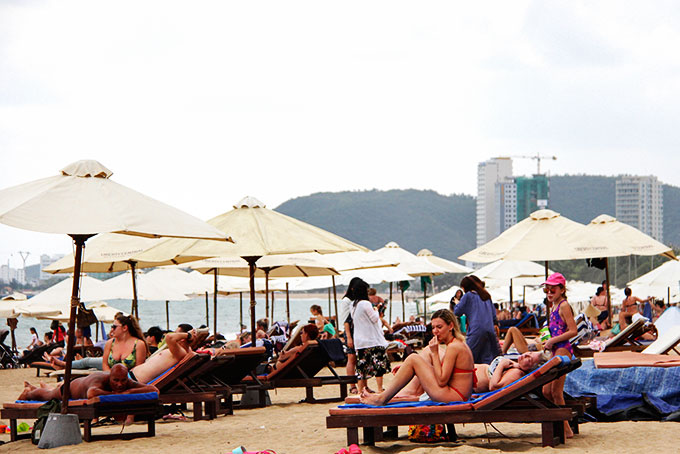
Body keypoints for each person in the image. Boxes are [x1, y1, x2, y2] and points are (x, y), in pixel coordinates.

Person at [361, 309, 475, 405]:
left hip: (454, 396)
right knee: (417, 359)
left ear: (451, 326)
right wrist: (414, 370)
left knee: (413, 358)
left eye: (439, 327)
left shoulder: (454, 347)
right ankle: (383, 395)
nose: (435, 331)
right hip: (457, 394)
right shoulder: (457, 343)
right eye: (433, 328)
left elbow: (441, 381)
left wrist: (435, 353)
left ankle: (381, 398)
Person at [541, 272, 578, 438]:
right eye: (546, 290)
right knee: (546, 391)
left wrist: (553, 340)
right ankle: (560, 424)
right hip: (556, 349)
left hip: (563, 349)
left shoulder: (564, 306)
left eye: (552, 289)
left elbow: (573, 330)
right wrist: (547, 340)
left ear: (562, 290)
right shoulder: (554, 306)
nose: (549, 293)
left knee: (556, 391)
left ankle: (566, 429)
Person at [18, 363, 158, 401]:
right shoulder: (100, 380)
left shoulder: (126, 381)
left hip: (82, 384)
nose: (120, 384)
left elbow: (154, 389)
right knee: (49, 396)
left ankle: (38, 386)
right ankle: (29, 392)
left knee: (50, 391)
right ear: (110, 377)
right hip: (71, 388)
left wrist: (130, 391)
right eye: (116, 381)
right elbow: (91, 393)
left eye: (123, 381)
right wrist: (117, 393)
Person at [350, 278, 391, 394]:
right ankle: (380, 388)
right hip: (372, 340)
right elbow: (374, 319)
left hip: (359, 340)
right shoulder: (365, 303)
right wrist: (376, 310)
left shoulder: (353, 305)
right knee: (378, 364)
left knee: (362, 367)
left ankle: (360, 390)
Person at [454, 275, 501, 364]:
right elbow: (494, 316)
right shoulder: (486, 296)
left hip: (476, 330)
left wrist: (457, 302)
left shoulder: (468, 296)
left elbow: (457, 311)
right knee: (487, 360)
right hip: (489, 330)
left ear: (465, 287)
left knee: (467, 357)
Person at [474, 351, 549, 393]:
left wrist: (501, 365)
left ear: (530, 370)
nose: (525, 355)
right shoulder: (517, 366)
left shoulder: (517, 373)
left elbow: (494, 387)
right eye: (530, 352)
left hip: (471, 382)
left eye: (529, 359)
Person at [339, 277, 363, 394]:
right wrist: (348, 337)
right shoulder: (347, 301)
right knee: (351, 358)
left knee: (359, 359)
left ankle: (361, 385)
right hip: (350, 331)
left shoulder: (357, 301)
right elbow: (345, 321)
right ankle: (352, 385)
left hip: (358, 331)